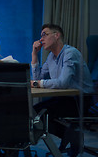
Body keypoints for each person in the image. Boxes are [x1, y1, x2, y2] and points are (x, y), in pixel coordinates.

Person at [31, 23, 94, 156]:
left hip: (81, 100)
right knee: (33, 113)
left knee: (38, 115)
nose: (41, 39)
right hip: (65, 98)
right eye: (41, 36)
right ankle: (73, 136)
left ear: (56, 35)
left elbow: (63, 83)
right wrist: (35, 55)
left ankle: (73, 136)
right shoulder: (51, 57)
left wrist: (37, 83)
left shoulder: (70, 53)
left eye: (45, 35)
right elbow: (37, 79)